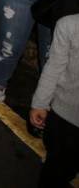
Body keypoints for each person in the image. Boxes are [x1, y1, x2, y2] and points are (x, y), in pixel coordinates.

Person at [30, 12, 79, 187]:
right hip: (63, 116)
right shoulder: (69, 24)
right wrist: (40, 103)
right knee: (55, 170)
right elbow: (54, 67)